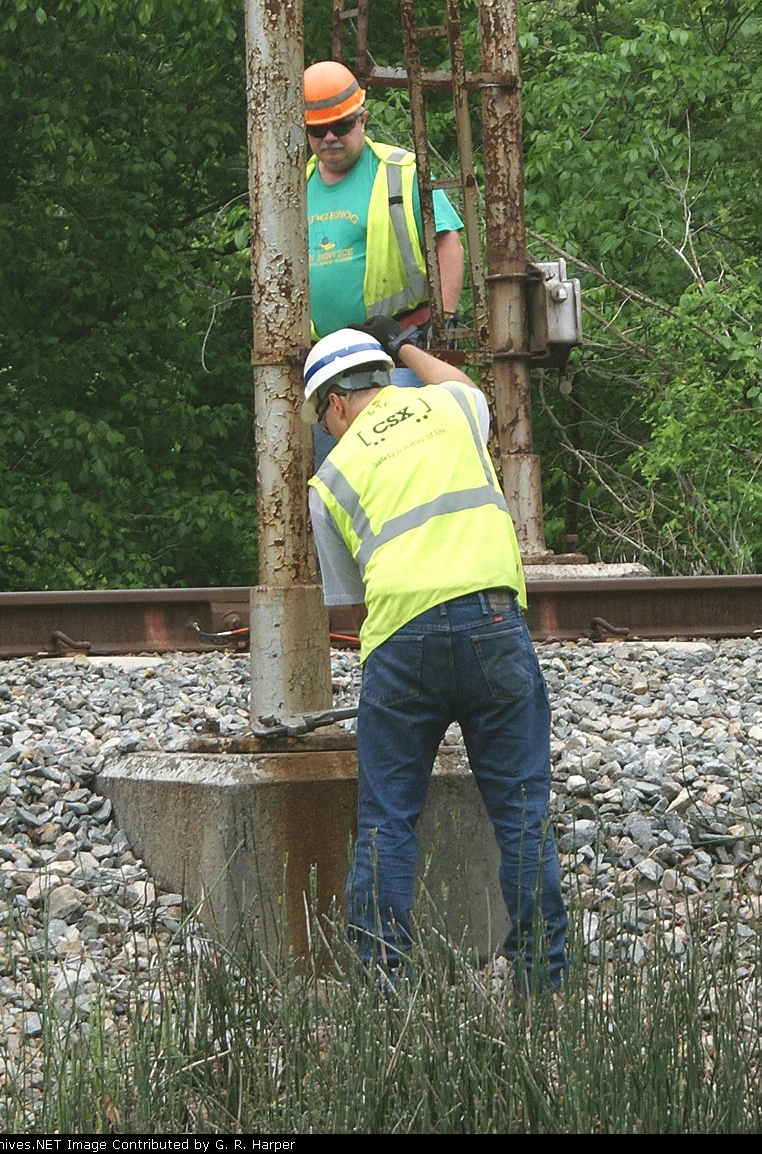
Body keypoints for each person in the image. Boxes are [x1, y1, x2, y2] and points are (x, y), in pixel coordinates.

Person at [301, 318, 568, 991]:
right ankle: (543, 987)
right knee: (522, 810)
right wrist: (402, 344)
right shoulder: (451, 406)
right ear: (382, 376)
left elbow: (351, 601)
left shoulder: (329, 480)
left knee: (387, 820)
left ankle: (386, 989)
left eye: (321, 418)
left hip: (400, 642)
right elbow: (467, 384)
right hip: (494, 622)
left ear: (334, 403)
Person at [304, 60, 465, 463]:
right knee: (345, 487)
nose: (329, 138)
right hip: (328, 368)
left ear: (362, 119)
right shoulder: (294, 185)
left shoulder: (399, 172)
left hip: (396, 355)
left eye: (339, 126)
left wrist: (442, 321)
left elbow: (448, 242)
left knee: (404, 471)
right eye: (317, 130)